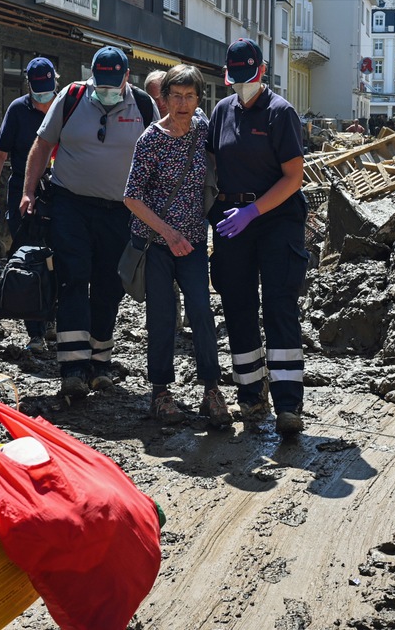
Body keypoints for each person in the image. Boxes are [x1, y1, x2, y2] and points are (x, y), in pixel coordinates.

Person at [20, 46, 158, 397]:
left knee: (109, 286)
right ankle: (73, 368)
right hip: (71, 206)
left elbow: (157, 156)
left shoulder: (143, 106)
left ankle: (100, 365)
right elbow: (41, 145)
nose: (106, 89)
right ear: (91, 75)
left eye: (114, 83)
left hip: (121, 211)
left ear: (127, 78)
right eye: (101, 82)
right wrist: (28, 192)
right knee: (73, 279)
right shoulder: (72, 96)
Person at [208, 39, 309, 436]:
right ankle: (250, 396)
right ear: (227, 74)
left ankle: (287, 404)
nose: (242, 85)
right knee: (237, 305)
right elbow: (211, 162)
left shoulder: (280, 113)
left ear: (262, 72)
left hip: (275, 219)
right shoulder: (221, 111)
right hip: (233, 220)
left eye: (248, 78)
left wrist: (254, 211)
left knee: (280, 305)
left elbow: (293, 177)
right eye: (236, 78)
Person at [123, 65, 230, 427]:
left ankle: (211, 389)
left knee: (201, 311)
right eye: (176, 96)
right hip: (157, 243)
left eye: (190, 96)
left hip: (195, 243)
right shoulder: (151, 139)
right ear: (163, 98)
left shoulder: (203, 131)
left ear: (199, 99)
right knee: (162, 317)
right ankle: (160, 392)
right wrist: (169, 234)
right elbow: (132, 197)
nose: (182, 104)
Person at [0, 56, 57, 353]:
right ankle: (35, 331)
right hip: (22, 195)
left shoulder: (64, 104)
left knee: (58, 256)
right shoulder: (18, 110)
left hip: (57, 192)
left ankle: (53, 318)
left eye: (47, 89)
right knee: (29, 257)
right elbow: (0, 153)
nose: (43, 97)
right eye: (38, 90)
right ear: (29, 86)